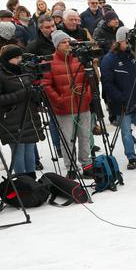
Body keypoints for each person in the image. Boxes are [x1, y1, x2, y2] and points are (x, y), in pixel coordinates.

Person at [0, 44, 42, 179]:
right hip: (11, 119)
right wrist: (23, 93)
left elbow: (29, 90)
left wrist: (35, 92)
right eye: (16, 58)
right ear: (7, 59)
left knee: (29, 151)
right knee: (19, 152)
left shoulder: (22, 70)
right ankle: (22, 181)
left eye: (20, 57)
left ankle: (31, 181)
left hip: (29, 116)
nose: (19, 60)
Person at [44, 30, 95, 178]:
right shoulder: (49, 62)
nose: (68, 44)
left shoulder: (79, 59)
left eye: (68, 41)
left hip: (83, 106)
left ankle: (87, 165)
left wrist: (87, 96)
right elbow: (46, 85)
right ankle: (71, 168)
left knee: (85, 136)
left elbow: (88, 80)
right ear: (57, 45)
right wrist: (59, 100)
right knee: (67, 140)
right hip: (64, 109)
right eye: (64, 42)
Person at [100, 28, 136, 169]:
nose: (128, 44)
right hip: (122, 103)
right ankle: (131, 157)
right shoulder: (109, 59)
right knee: (126, 133)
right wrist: (119, 98)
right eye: (125, 41)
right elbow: (107, 83)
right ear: (118, 41)